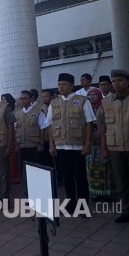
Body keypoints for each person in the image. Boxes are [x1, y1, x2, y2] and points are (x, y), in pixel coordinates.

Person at [99, 69, 129, 227]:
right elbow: (103, 127)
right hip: (115, 147)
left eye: (120, 80)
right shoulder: (106, 101)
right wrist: (103, 147)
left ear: (128, 82)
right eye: (114, 81)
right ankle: (127, 211)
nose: (116, 84)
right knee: (122, 182)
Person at [47, 73, 95, 214]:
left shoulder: (82, 100)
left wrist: (87, 144)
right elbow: (50, 125)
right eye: (59, 84)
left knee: (80, 177)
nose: (61, 87)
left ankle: (82, 207)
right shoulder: (54, 103)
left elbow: (89, 122)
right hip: (61, 146)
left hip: (77, 146)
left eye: (64, 84)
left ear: (71, 85)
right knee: (67, 177)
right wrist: (51, 145)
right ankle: (70, 204)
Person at [14, 90, 47, 196]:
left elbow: (43, 128)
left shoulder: (38, 111)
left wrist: (41, 143)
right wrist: (15, 144)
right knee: (24, 170)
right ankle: (27, 192)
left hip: (34, 146)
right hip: (22, 146)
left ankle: (37, 191)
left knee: (36, 169)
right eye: (21, 98)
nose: (23, 100)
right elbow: (15, 130)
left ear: (31, 99)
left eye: (25, 98)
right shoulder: (17, 113)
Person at [86, 88, 116, 200]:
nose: (92, 96)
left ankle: (107, 194)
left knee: (105, 168)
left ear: (99, 95)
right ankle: (96, 193)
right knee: (92, 169)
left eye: (94, 94)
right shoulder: (87, 107)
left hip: (103, 142)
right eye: (90, 94)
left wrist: (104, 146)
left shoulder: (104, 107)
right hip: (91, 143)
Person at [1, 93, 22, 183]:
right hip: (5, 136)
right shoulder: (1, 110)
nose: (2, 101)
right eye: (1, 99)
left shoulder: (16, 110)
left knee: (14, 157)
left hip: (15, 135)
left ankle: (16, 176)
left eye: (4, 99)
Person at [40, 89, 54, 167]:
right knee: (47, 162)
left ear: (52, 96)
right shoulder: (41, 108)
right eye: (42, 97)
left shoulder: (57, 106)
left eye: (46, 96)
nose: (44, 98)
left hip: (56, 138)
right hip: (46, 139)